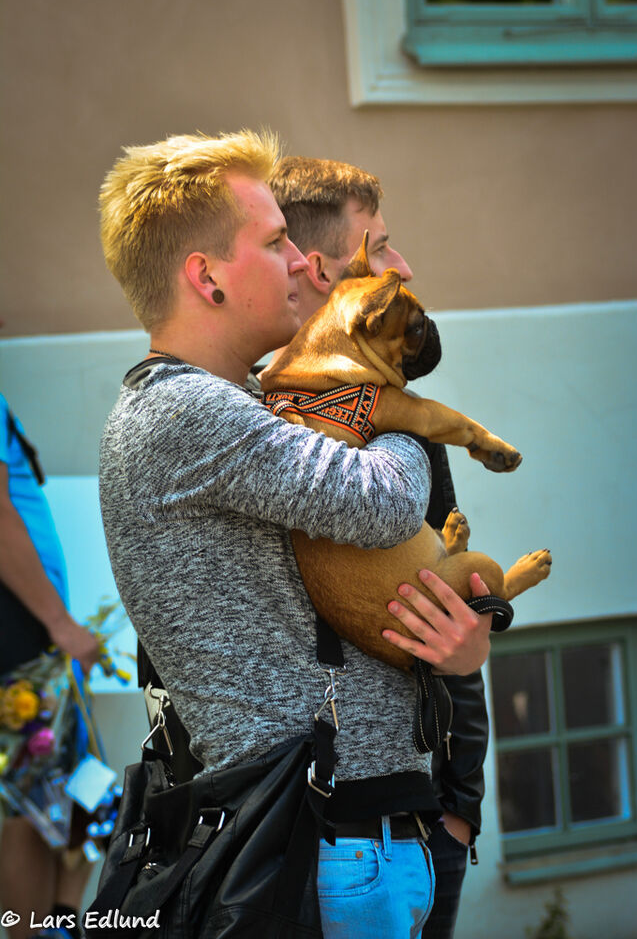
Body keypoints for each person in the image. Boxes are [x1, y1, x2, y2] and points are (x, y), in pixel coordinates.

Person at [98, 130, 494, 938]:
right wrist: (385, 390)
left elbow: (386, 579)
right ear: (206, 276)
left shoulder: (245, 402)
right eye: (275, 242)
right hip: (315, 848)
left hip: (357, 840)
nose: (298, 265)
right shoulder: (183, 411)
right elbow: (385, 503)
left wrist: (467, 641)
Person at [269, 156, 490, 939]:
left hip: (423, 824)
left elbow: (462, 608)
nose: (405, 265)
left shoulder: (403, 421)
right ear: (325, 269)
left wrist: (459, 809)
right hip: (309, 839)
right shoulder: (252, 423)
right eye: (384, 244)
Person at [0, 383, 101, 939]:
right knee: (30, 803)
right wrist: (59, 625)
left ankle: (59, 922)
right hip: (22, 633)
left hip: (32, 632)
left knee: (62, 793)